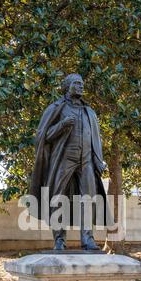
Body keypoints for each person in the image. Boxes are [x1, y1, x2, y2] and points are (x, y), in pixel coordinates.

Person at [30, 73, 107, 250]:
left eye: (82, 83)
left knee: (88, 199)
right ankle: (59, 239)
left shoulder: (89, 112)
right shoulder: (57, 108)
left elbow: (95, 140)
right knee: (57, 197)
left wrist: (98, 160)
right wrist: (62, 124)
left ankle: (87, 239)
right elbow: (44, 136)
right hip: (64, 158)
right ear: (67, 86)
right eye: (77, 83)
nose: (81, 86)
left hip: (86, 160)